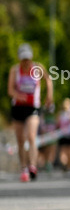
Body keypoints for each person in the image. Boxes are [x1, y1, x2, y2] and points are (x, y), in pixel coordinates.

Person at [8, 43, 53, 181]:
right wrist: (17, 95)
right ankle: (23, 168)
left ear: (31, 57)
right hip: (18, 108)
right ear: (19, 59)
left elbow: (48, 80)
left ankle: (32, 166)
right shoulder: (15, 70)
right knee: (20, 140)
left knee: (32, 136)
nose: (26, 62)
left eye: (27, 59)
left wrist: (49, 96)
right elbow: (10, 90)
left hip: (33, 107)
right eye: (23, 59)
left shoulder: (38, 68)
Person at [56, 98, 70, 172]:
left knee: (63, 151)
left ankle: (64, 163)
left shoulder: (60, 114)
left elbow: (57, 124)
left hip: (62, 135)